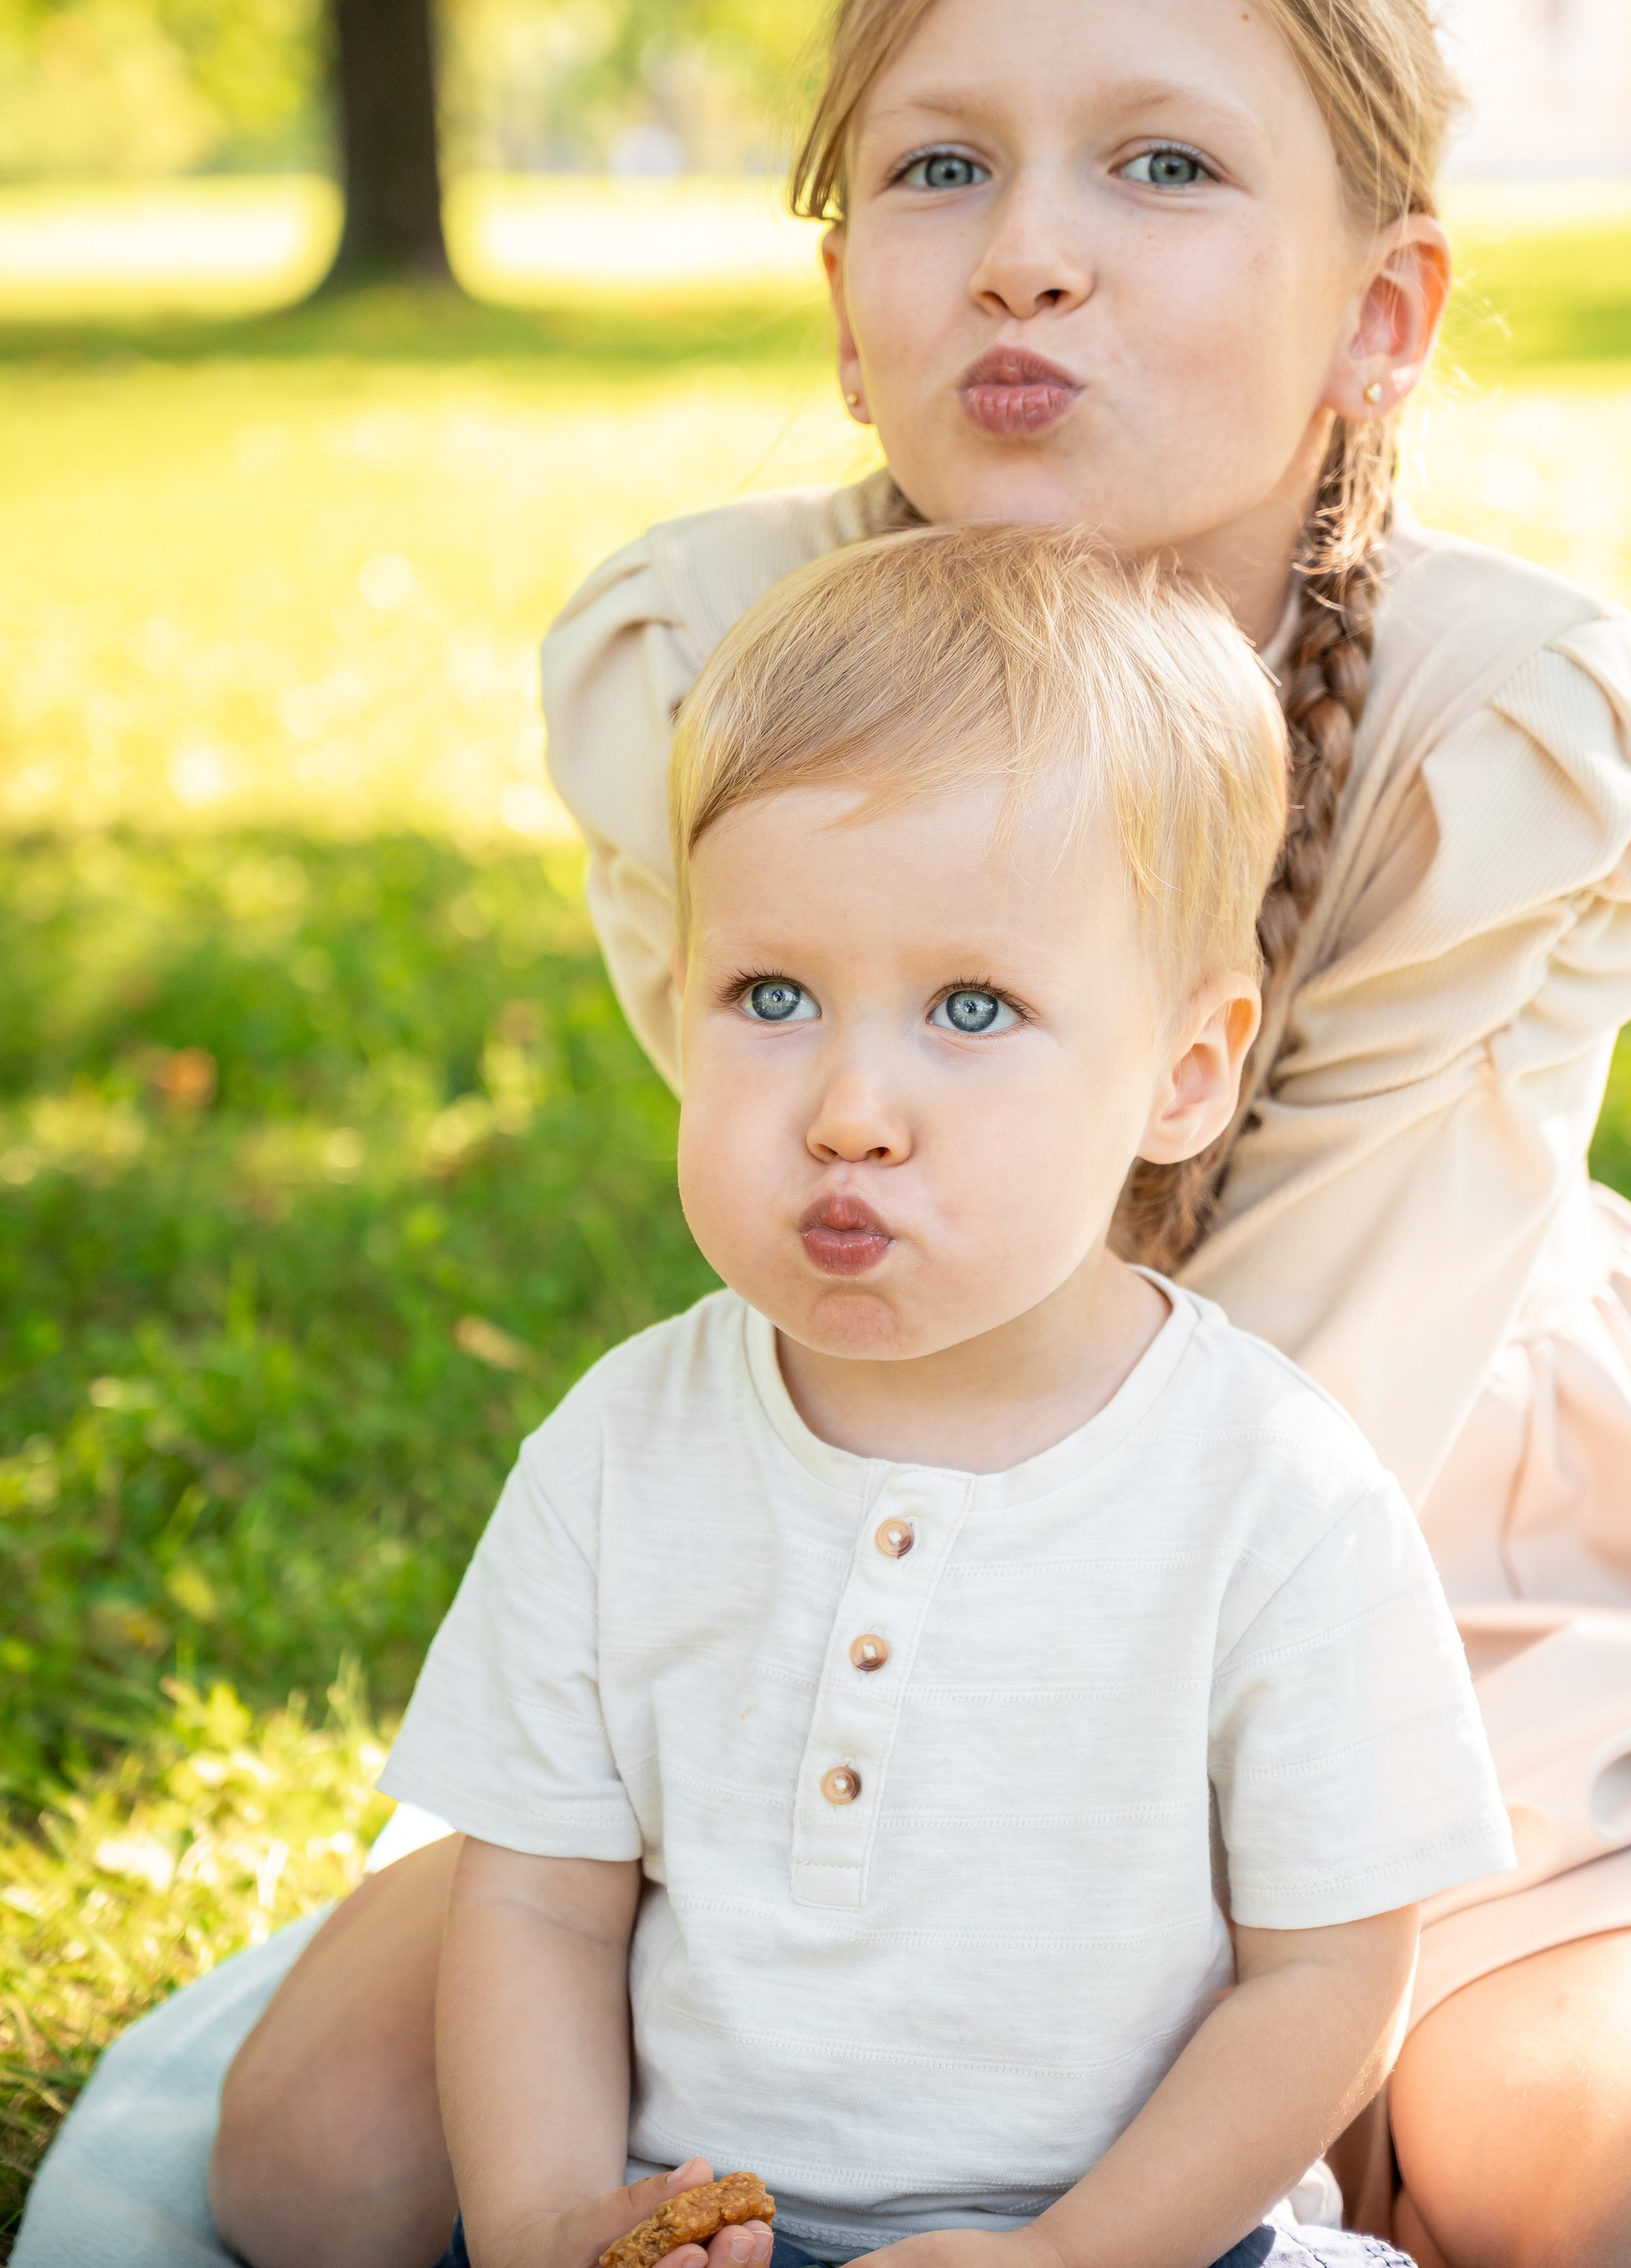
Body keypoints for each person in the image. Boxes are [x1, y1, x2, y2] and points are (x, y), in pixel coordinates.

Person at [15, 0, 1631, 2268]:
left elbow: (1313, 1408)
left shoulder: (1506, 734)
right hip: (885, 1468)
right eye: (941, 168)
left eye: (1163, 166)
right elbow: (827, 1201)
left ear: (1383, 312)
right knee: (323, 2156)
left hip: (1403, 1531)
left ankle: (1381, 2069)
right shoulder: (711, 658)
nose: (1031, 255)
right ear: (848, 294)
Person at [380, 522, 1513, 2268]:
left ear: (1184, 1069)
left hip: (1143, 2244)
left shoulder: (1265, 1486)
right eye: (769, 995)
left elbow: (1332, 1965)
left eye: (970, 1007)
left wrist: (1078, 2255)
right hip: (705, 2231)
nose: (846, 1106)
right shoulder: (622, 1447)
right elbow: (534, 1897)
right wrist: (545, 2214)